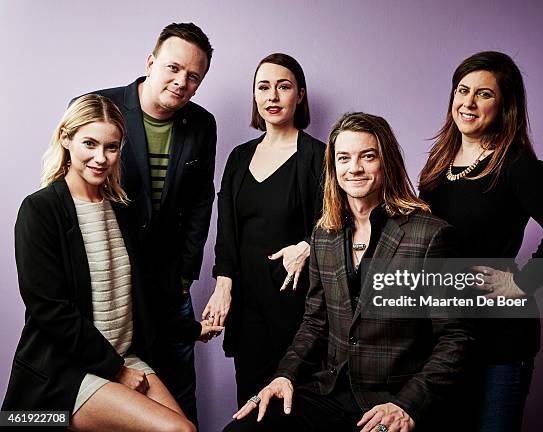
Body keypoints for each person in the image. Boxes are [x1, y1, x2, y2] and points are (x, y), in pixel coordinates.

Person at [224, 112, 474, 432]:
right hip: (330, 392)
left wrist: (407, 404)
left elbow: (456, 337)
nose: (354, 168)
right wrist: (284, 375)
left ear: (387, 163)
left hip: (391, 399)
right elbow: (314, 322)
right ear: (334, 168)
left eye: (367, 156)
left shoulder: (431, 236)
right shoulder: (324, 236)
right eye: (344, 158)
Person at [1, 94, 222, 431]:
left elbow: (145, 288)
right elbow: (49, 309)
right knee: (179, 430)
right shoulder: (40, 210)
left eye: (112, 147)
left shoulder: (120, 209)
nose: (100, 158)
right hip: (70, 370)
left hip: (123, 358)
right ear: (66, 138)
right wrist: (117, 371)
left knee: (185, 427)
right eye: (89, 143)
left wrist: (192, 329)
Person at [418, 51, 543, 432]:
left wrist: (521, 282)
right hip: (445, 337)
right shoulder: (438, 162)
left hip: (501, 340)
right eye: (462, 90)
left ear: (505, 104)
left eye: (484, 94)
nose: (468, 102)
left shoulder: (515, 163)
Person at [87, 23, 217, 426]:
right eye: (174, 68)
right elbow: (72, 191)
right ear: (151, 62)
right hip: (107, 283)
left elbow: (200, 201)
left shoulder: (202, 123)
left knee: (179, 396)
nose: (181, 82)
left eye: (193, 76)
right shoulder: (98, 107)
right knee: (114, 390)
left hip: (169, 286)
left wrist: (184, 276)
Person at [203, 53, 325, 406]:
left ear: (299, 95)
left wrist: (307, 245)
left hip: (299, 309)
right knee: (251, 407)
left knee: (295, 410)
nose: (272, 96)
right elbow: (226, 231)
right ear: (255, 96)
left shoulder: (318, 156)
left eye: (283, 87)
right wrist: (223, 284)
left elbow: (338, 223)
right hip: (248, 308)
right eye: (263, 87)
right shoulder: (239, 158)